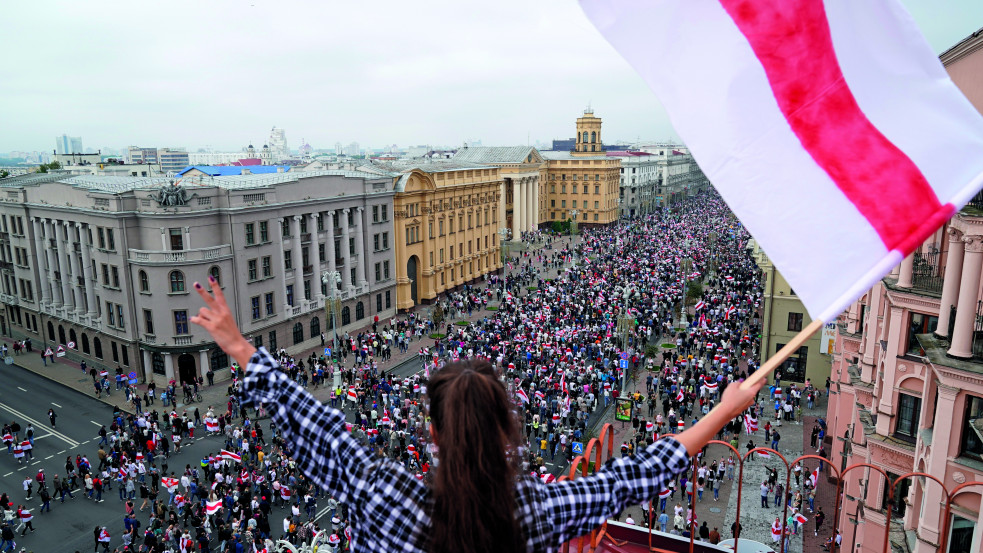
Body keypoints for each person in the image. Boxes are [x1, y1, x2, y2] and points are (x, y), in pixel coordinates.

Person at [189, 276, 766, 553]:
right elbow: (632, 477)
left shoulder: (382, 491)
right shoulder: (535, 509)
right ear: (506, 428)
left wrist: (241, 348)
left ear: (433, 431)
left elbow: (316, 425)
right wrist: (723, 409)